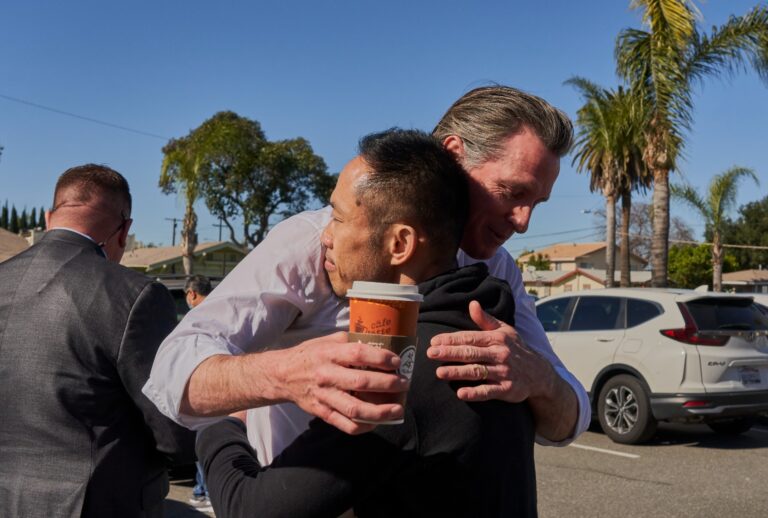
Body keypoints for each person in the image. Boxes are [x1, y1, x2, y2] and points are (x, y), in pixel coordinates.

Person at [144, 86, 590, 458]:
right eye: (512, 192)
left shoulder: (498, 270)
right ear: (454, 156)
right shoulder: (320, 242)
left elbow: (567, 420)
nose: (524, 220)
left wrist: (540, 379)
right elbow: (171, 373)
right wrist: (286, 375)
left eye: (537, 203)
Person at [196, 129, 537, 517]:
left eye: (338, 218)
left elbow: (251, 509)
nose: (325, 236)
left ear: (399, 245)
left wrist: (222, 425)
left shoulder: (399, 366)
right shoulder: (496, 337)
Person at [0, 164, 195, 518]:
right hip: (97, 504)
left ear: (48, 217)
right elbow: (172, 430)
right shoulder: (134, 295)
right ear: (124, 231)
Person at [183, 274, 215, 512]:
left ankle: (203, 492)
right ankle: (202, 491)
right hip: (220, 386)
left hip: (202, 387)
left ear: (191, 294)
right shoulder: (222, 308)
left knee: (204, 442)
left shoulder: (196, 317)